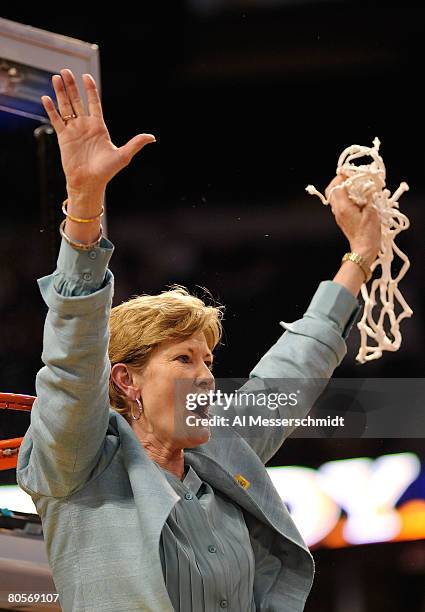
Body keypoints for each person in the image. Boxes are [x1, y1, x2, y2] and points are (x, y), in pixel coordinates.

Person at [16, 68, 381, 612]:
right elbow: (71, 363)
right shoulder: (79, 466)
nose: (207, 374)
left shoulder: (223, 451)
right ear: (126, 378)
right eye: (184, 358)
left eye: (208, 359)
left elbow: (292, 370)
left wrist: (359, 257)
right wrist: (85, 205)